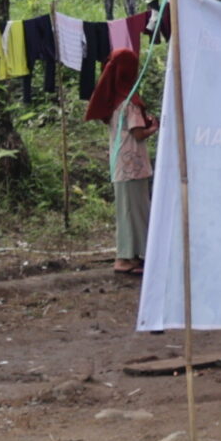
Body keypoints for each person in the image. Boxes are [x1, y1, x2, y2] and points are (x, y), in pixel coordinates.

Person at [85, 44, 155, 275]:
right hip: (133, 166)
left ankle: (132, 255)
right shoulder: (130, 102)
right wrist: (154, 127)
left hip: (121, 164)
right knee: (135, 211)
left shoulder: (114, 100)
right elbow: (138, 134)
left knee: (128, 210)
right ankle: (125, 258)